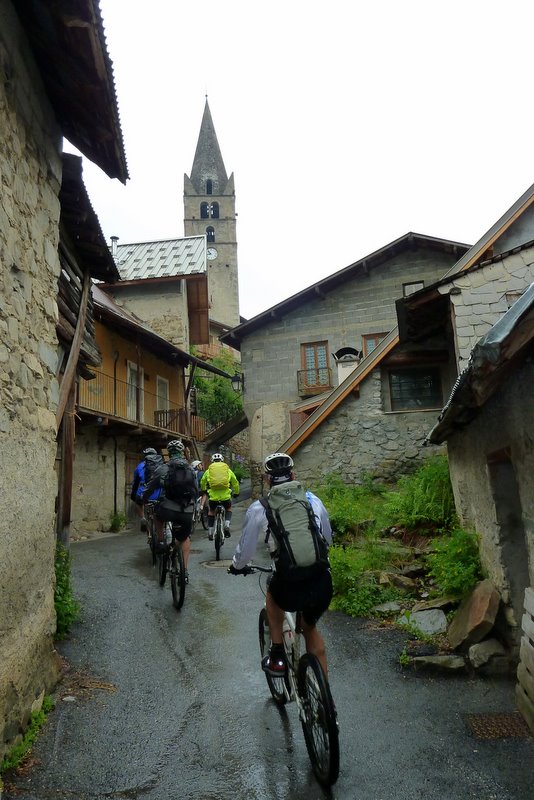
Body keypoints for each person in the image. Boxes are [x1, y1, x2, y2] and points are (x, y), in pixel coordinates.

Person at [229, 452, 333, 678]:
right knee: (309, 626)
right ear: (293, 475)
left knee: (272, 598)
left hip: (289, 585)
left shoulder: (260, 508)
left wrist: (237, 566)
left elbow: (246, 549)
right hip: (322, 581)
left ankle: (277, 656)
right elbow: (327, 536)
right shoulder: (312, 500)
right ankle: (327, 706)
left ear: (267, 480)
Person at [142, 440, 198, 581]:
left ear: (168, 453)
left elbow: (150, 487)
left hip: (168, 509)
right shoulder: (191, 469)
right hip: (187, 510)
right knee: (185, 538)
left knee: (157, 516)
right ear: (182, 452)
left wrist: (144, 498)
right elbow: (196, 491)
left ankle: (161, 541)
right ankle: (184, 572)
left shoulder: (163, 468)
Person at [200, 453, 240, 540]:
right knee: (228, 508)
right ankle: (227, 524)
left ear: (212, 461)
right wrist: (236, 492)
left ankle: (210, 532)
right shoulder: (227, 470)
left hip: (213, 497)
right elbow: (235, 482)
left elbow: (203, 481)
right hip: (225, 497)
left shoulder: (208, 471)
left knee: (211, 511)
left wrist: (204, 490)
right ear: (222, 460)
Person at [130, 447, 162, 531]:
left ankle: (142, 518)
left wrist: (133, 495)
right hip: (158, 493)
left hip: (143, 493)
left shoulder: (140, 466)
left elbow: (135, 483)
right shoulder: (161, 465)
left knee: (138, 503)